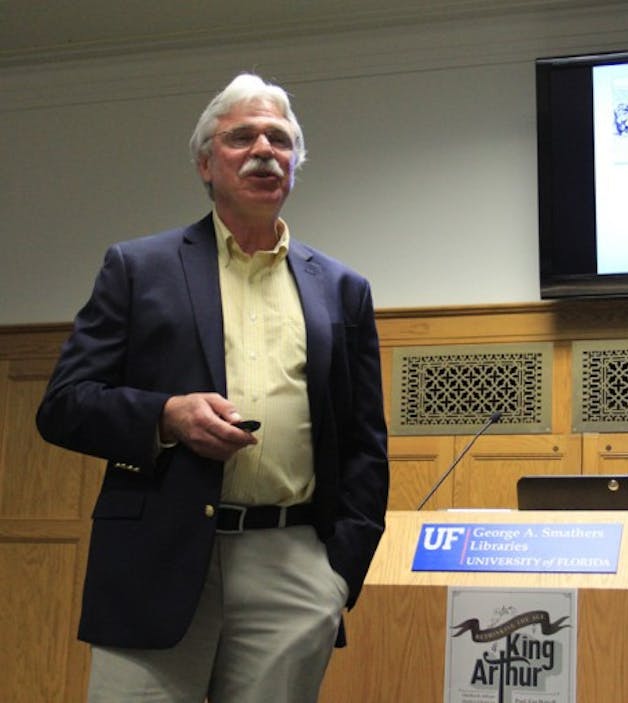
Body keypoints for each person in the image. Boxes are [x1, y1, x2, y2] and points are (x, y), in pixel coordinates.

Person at [35, 73, 389, 702]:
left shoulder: (342, 289)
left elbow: (365, 442)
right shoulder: (137, 267)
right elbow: (63, 406)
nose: (263, 150)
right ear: (205, 162)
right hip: (156, 557)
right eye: (242, 137)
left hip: (294, 564)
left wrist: (337, 573)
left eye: (280, 139)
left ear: (295, 162)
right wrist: (165, 417)